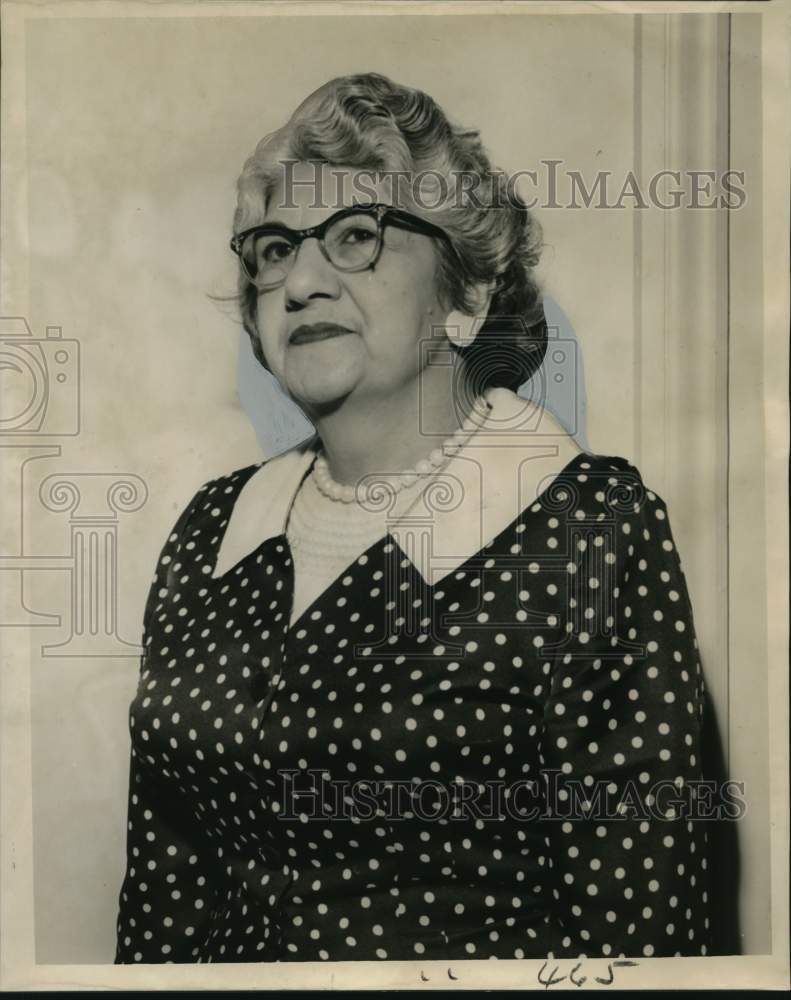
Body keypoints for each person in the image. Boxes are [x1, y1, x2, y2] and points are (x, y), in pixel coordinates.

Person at [114, 73, 711, 963]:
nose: (300, 281)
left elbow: (639, 931)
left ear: (466, 298)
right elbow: (164, 892)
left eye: (356, 236)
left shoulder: (586, 524)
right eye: (273, 250)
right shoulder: (212, 529)